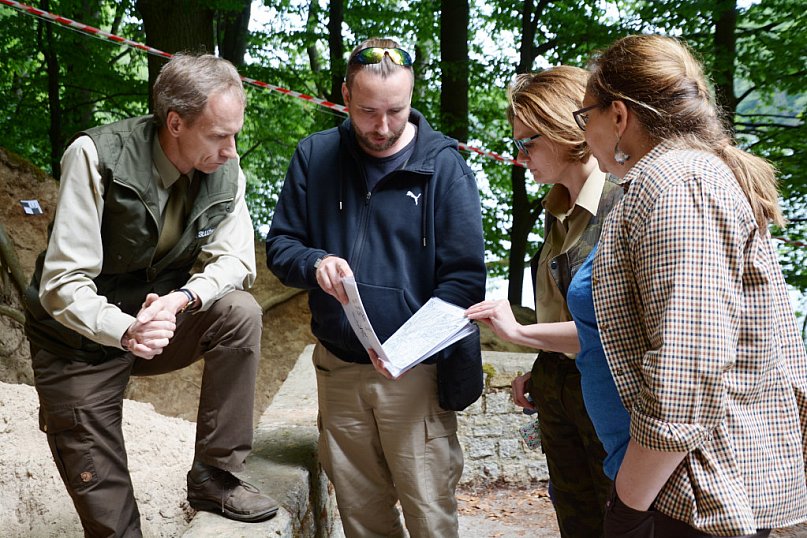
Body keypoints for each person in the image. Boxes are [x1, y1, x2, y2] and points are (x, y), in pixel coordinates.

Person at [24, 53, 279, 536]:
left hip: (158, 321)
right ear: (176, 122)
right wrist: (125, 329)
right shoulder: (94, 156)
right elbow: (61, 284)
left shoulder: (228, 169)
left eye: (236, 134)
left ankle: (215, 477)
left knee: (238, 312)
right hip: (77, 342)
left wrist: (181, 300)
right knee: (114, 524)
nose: (231, 149)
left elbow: (237, 262)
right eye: (219, 135)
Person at [577, 34, 807, 537]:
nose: (584, 132)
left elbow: (687, 369)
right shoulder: (685, 175)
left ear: (619, 115)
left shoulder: (678, 183)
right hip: (688, 485)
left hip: (695, 494)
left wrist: (628, 507)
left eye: (585, 115)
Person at [265, 38, 486, 537]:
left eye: (396, 111)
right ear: (344, 95)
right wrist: (314, 261)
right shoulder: (314, 155)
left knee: (430, 515)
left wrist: (411, 347)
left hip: (416, 376)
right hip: (340, 369)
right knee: (361, 518)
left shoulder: (445, 168)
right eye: (367, 111)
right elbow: (281, 244)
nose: (382, 127)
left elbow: (466, 281)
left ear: (412, 98)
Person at [465, 66, 626, 537]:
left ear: (562, 128)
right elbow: (566, 312)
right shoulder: (558, 208)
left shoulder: (624, 204)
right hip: (561, 394)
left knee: (619, 522)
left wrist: (518, 333)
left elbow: (613, 330)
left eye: (526, 143)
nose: (521, 157)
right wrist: (542, 369)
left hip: (608, 402)